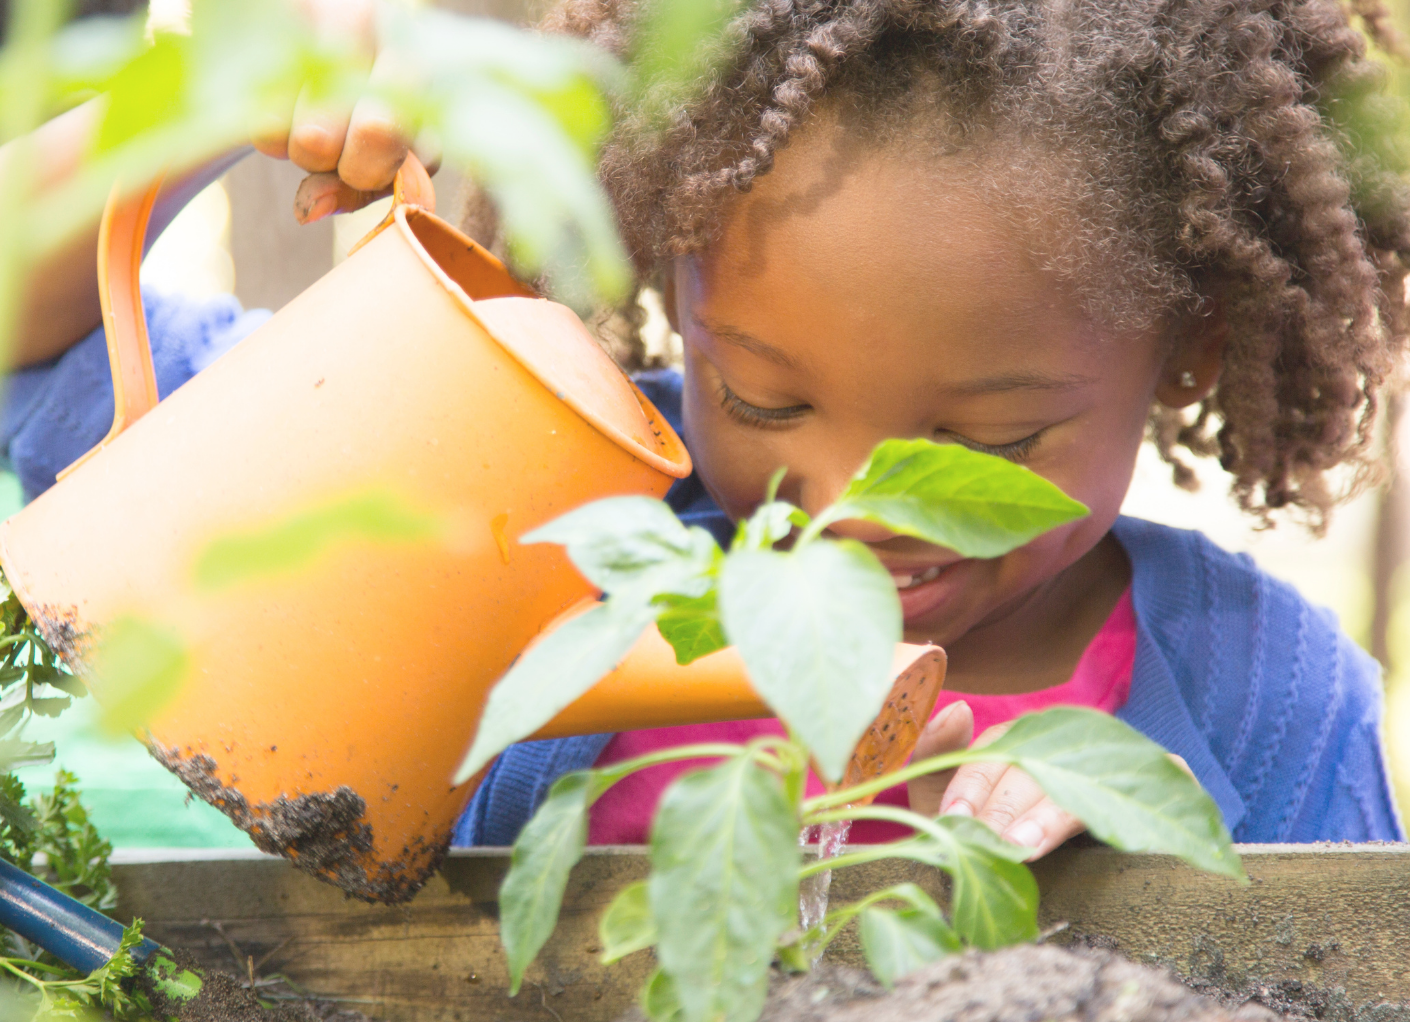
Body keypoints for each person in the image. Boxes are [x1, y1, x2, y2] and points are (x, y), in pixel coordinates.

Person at [9, 0, 1407, 858]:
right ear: (666, 277)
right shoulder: (537, 511)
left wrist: (1158, 886)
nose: (855, 503)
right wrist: (195, 111)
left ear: (1190, 348)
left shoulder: (1264, 706)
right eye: (761, 399)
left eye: (987, 444)